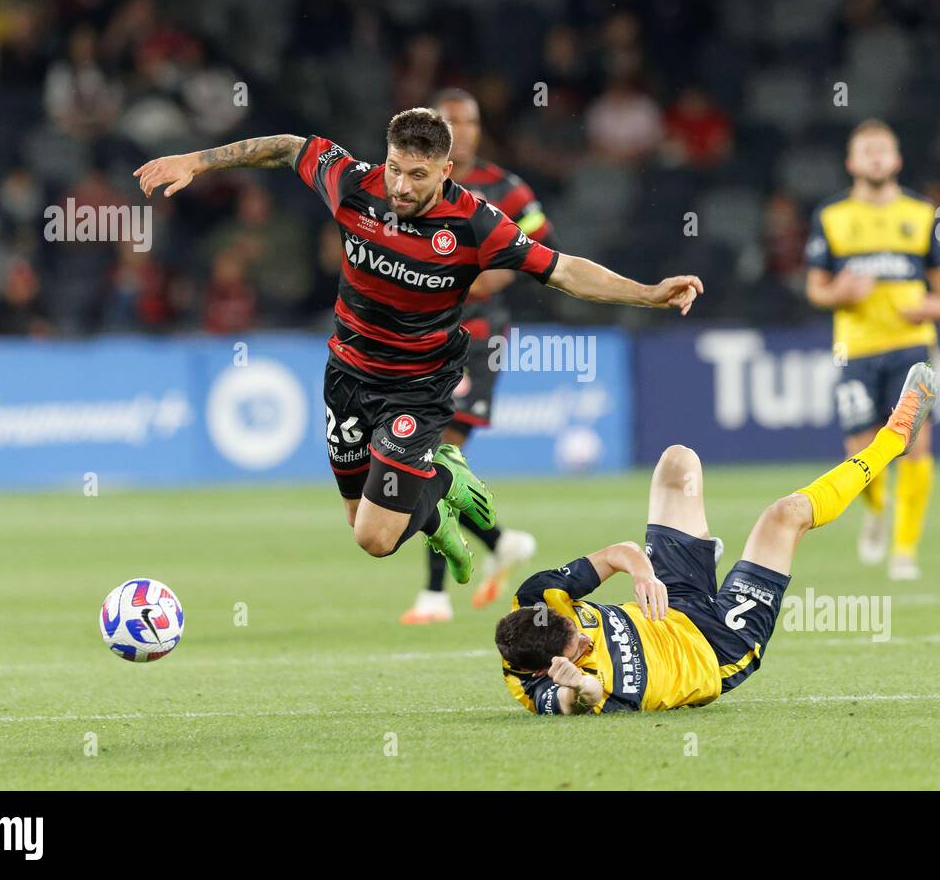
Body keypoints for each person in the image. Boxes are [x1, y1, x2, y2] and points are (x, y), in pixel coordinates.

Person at [134, 110, 704, 581]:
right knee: (362, 530)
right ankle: (436, 509)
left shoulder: (478, 225)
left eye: (418, 175)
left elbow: (563, 270)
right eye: (396, 169)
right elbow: (289, 146)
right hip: (347, 374)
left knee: (380, 539)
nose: (402, 186)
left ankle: (447, 476)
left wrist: (648, 294)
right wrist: (197, 160)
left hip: (417, 387)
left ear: (446, 170)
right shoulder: (354, 183)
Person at [495, 362, 936, 715]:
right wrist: (581, 682)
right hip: (714, 645)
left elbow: (616, 555)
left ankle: (698, 563)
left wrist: (643, 571)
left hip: (667, 602)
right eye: (579, 648)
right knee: (785, 516)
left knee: (677, 463)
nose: (585, 638)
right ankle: (894, 439)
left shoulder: (538, 598)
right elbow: (584, 697)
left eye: (576, 629)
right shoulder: (539, 687)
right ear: (548, 669)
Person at [399, 89, 550, 625]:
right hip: (421, 336)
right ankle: (499, 541)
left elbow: (537, 245)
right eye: (453, 121)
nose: (464, 130)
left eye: (472, 120)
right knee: (426, 457)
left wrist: (489, 275)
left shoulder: (504, 190)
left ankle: (435, 594)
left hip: (477, 336)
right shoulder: (410, 185)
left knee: (432, 453)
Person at [804, 119, 940, 580]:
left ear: (896, 160)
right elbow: (816, 287)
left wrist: (937, 305)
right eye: (866, 151)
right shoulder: (831, 216)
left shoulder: (921, 212)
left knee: (916, 444)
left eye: (883, 150)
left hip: (911, 344)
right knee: (861, 445)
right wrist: (839, 293)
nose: (876, 157)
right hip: (854, 347)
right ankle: (876, 509)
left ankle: (905, 550)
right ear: (852, 162)